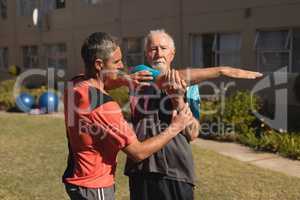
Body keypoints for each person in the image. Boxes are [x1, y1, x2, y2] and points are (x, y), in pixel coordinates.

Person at [125, 29, 263, 200]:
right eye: (153, 49)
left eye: (163, 48)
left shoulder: (192, 87)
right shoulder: (140, 73)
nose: (158, 53)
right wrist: (221, 70)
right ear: (146, 54)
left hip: (178, 170)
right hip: (143, 170)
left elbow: (193, 133)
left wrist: (179, 101)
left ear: (172, 54)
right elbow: (166, 79)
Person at [62, 32, 195, 200]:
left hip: (76, 180)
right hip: (94, 186)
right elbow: (137, 152)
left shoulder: (74, 85)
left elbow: (102, 83)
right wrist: (176, 126)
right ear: (98, 64)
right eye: (116, 62)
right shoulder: (104, 107)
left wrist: (125, 80)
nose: (121, 66)